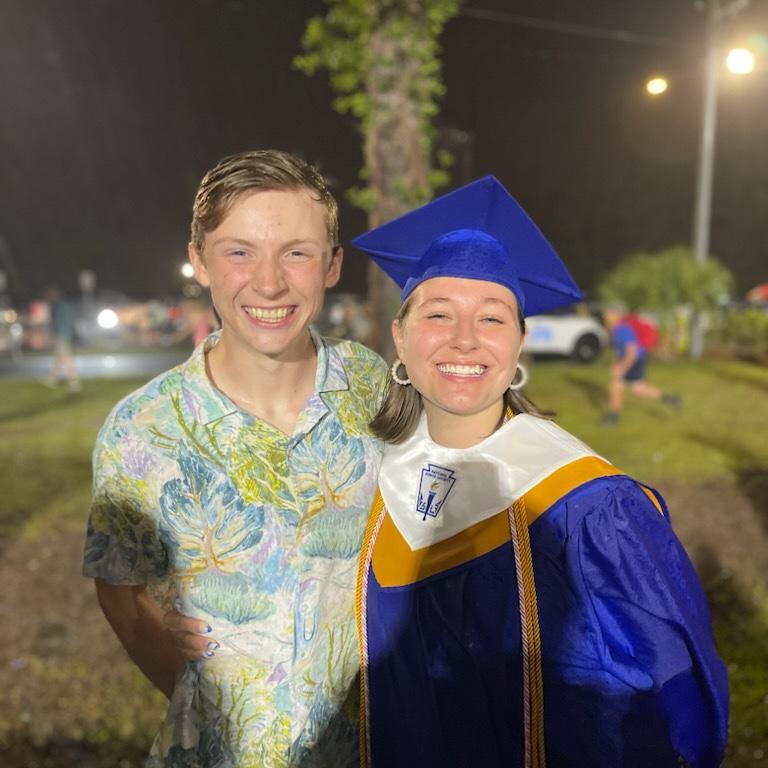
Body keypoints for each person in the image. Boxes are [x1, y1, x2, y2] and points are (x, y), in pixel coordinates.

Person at [352, 176, 728, 768]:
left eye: (492, 319)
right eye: (439, 314)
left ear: (520, 341)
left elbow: (667, 705)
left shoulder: (589, 506)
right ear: (399, 336)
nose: (465, 340)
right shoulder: (374, 474)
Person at [82, 150, 388, 767]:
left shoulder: (370, 384)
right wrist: (202, 694)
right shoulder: (141, 429)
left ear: (332, 265)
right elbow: (120, 587)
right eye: (239, 252)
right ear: (199, 261)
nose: (269, 283)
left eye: (296, 253)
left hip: (370, 748)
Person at [601, 305, 680, 426]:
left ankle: (613, 417)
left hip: (634, 359)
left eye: (609, 313)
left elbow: (631, 351)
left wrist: (622, 367)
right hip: (638, 358)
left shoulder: (622, 329)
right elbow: (622, 350)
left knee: (615, 385)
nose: (606, 315)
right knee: (638, 389)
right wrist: (617, 362)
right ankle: (670, 398)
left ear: (616, 315)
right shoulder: (619, 328)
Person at [44, 284, 81, 392]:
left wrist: (53, 334)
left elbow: (56, 323)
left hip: (61, 335)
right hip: (65, 334)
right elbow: (72, 320)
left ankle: (74, 382)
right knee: (58, 357)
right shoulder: (65, 305)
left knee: (66, 357)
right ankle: (52, 379)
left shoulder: (58, 306)